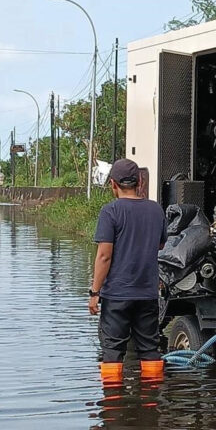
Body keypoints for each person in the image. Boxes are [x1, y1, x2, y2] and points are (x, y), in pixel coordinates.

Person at [89, 158, 168, 382]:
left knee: (113, 350)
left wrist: (95, 293)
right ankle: (150, 407)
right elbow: (160, 244)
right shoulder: (155, 210)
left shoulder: (110, 212)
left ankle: (113, 409)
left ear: (113, 184)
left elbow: (104, 255)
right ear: (140, 181)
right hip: (147, 293)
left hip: (117, 295)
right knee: (150, 349)